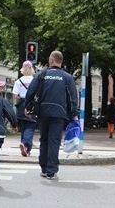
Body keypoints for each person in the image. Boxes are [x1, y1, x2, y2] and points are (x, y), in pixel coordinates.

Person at [25, 50, 78, 180]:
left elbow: (31, 92)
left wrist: (27, 107)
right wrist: (74, 114)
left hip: (43, 112)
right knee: (54, 141)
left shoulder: (41, 74)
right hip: (59, 113)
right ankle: (51, 170)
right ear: (61, 62)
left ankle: (43, 168)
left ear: (52, 60)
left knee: (44, 139)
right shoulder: (67, 77)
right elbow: (72, 98)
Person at [12, 60, 37, 156]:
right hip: (31, 104)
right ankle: (26, 144)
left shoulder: (19, 81)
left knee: (23, 126)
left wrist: (21, 98)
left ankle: (25, 147)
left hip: (21, 105)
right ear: (31, 69)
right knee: (30, 126)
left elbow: (14, 95)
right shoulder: (34, 80)